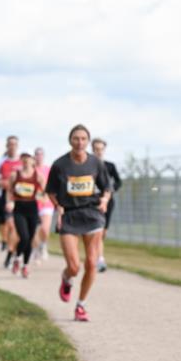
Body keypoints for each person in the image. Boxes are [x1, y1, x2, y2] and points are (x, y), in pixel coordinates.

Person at [46, 124, 112, 322]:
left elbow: (107, 187)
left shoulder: (96, 163)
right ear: (70, 140)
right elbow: (51, 191)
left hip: (92, 214)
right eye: (76, 138)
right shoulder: (60, 165)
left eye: (83, 139)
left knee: (91, 263)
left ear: (88, 141)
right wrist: (58, 206)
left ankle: (81, 305)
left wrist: (104, 200)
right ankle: (67, 279)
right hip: (69, 215)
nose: (80, 142)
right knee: (74, 267)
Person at [7, 153, 46, 278]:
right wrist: (9, 202)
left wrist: (40, 197)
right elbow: (9, 191)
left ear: (33, 160)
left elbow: (45, 194)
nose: (26, 160)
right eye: (23, 158)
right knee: (24, 236)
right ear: (21, 160)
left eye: (28, 158)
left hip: (32, 209)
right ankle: (17, 258)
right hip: (19, 209)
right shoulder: (15, 175)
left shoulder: (38, 176)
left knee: (30, 238)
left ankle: (25, 265)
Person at [91, 138, 122, 272]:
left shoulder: (110, 166)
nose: (99, 152)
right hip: (92, 202)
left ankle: (97, 254)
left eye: (101, 149)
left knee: (103, 232)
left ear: (104, 150)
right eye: (96, 149)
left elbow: (118, 182)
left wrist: (110, 190)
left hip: (108, 201)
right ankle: (100, 259)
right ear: (93, 150)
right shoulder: (88, 165)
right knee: (97, 230)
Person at [0, 136, 22, 265]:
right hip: (6, 196)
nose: (12, 146)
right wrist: (2, 183)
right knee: (8, 224)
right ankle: (6, 243)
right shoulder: (2, 162)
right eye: (10, 144)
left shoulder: (23, 161)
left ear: (17, 146)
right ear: (7, 146)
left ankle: (12, 251)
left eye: (14, 144)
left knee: (16, 227)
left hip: (22, 198)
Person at [34, 147, 54, 263]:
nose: (39, 157)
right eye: (37, 154)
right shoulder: (32, 169)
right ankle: (36, 251)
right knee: (35, 230)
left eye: (41, 154)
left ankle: (43, 245)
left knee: (45, 229)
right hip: (33, 202)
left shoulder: (48, 169)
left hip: (46, 202)